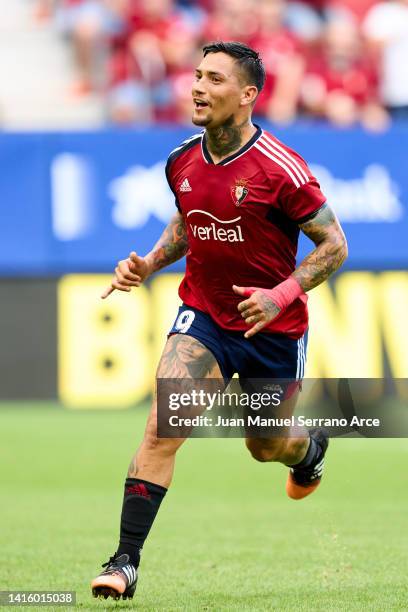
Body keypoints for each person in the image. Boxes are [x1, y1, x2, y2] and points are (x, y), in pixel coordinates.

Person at [90, 41, 348, 601]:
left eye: (214, 79)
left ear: (248, 95)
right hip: (203, 316)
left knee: (265, 445)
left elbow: (334, 244)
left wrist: (281, 295)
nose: (198, 88)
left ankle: (310, 451)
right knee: (162, 428)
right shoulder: (181, 159)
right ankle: (124, 562)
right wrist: (150, 262)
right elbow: (189, 221)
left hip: (270, 331)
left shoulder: (281, 169)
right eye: (196, 76)